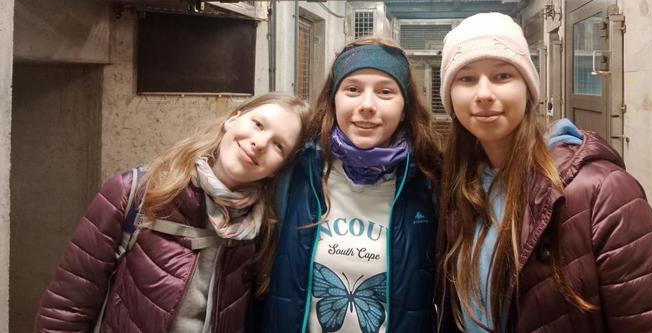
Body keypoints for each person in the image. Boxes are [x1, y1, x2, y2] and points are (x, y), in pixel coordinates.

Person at [436, 13, 652, 333]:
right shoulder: (458, 189)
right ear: (450, 96)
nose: (484, 93)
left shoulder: (602, 192)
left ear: (528, 89)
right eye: (466, 78)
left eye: (503, 75)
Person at [35, 92, 310, 333]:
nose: (260, 143)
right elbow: (67, 307)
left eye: (279, 146)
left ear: (278, 168)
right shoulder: (134, 194)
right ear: (232, 119)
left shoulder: (264, 229)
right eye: (258, 124)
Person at [262, 38, 442, 333]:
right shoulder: (297, 172)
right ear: (333, 100)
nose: (367, 105)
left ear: (404, 108)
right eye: (353, 90)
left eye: (385, 92)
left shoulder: (429, 182)